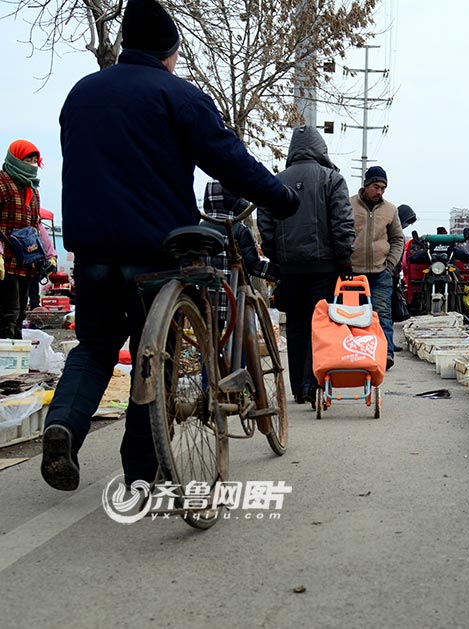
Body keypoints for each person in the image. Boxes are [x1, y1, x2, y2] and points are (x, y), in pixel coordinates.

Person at [43, 0, 299, 492]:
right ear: (170, 53)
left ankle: (64, 428)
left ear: (123, 46)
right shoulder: (176, 94)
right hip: (154, 250)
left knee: (94, 346)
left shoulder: (81, 94)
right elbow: (231, 162)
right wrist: (280, 197)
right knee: (150, 352)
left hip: (91, 248)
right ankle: (144, 468)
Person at [259, 125, 354, 406]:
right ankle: (313, 383)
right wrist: (344, 257)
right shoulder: (331, 179)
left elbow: (265, 223)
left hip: (289, 268)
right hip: (324, 266)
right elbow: (342, 221)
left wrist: (275, 255)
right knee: (320, 324)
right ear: (320, 148)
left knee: (297, 326)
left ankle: (298, 390)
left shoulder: (276, 181)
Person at [200, 180, 278, 330]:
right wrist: (277, 272)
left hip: (205, 300)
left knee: (209, 337)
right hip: (232, 300)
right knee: (238, 339)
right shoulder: (239, 230)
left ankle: (208, 354)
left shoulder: (199, 228)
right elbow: (253, 265)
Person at [350, 166, 403, 370]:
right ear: (366, 185)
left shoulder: (391, 210)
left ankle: (385, 354)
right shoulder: (348, 205)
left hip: (381, 273)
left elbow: (398, 239)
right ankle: (355, 355)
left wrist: (390, 264)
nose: (380, 191)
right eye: (376, 186)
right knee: (353, 317)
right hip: (353, 272)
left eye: (383, 188)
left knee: (382, 315)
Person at [0, 140, 44, 338]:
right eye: (28, 159)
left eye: (35, 160)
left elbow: (37, 226)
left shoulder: (33, 189)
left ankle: (17, 359)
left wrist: (48, 254)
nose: (33, 164)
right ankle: (5, 360)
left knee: (20, 315)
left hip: (25, 262)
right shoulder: (2, 182)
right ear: (16, 158)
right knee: (7, 313)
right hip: (4, 261)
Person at [390, 204, 417, 351]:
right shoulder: (392, 232)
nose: (406, 226)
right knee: (386, 310)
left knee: (388, 310)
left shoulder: (398, 232)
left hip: (393, 275)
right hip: (388, 274)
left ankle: (388, 343)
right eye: (406, 222)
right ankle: (387, 344)